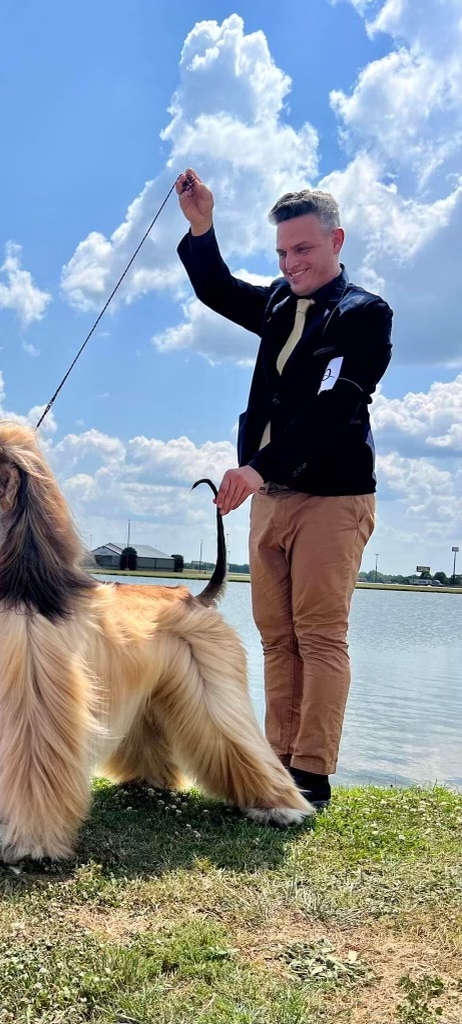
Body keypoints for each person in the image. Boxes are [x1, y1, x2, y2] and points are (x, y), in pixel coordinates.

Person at [175, 168, 393, 808]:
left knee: (319, 635)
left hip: (333, 497)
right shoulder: (276, 301)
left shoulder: (364, 315)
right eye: (282, 253)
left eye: (302, 249)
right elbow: (216, 289)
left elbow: (336, 409)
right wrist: (202, 226)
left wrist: (256, 469)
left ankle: (313, 773)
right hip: (268, 498)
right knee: (276, 635)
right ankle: (278, 760)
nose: (291, 263)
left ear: (336, 241)